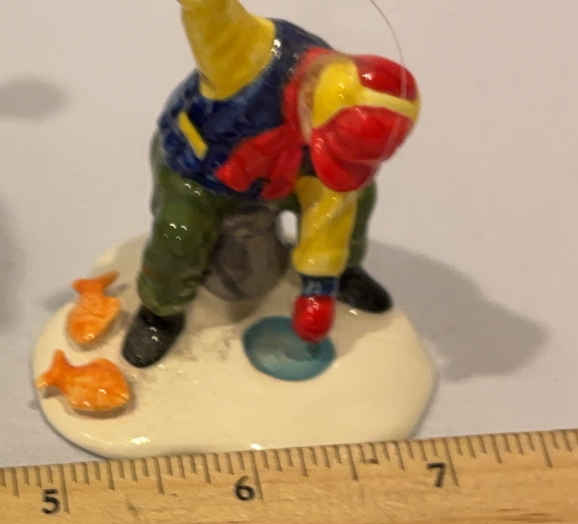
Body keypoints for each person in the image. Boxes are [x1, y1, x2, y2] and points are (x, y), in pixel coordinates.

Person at [124, 0, 421, 367]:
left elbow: (330, 203)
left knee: (355, 196)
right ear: (311, 100)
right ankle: (160, 313)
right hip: (199, 172)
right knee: (178, 233)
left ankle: (345, 272)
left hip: (281, 179)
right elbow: (209, 11)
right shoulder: (250, 55)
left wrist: (318, 289)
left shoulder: (328, 140)